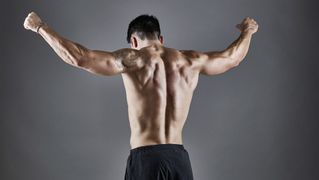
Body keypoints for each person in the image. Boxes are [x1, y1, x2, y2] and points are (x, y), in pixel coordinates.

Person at [23, 12, 258, 180]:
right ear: (161, 39)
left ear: (134, 41)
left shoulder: (131, 59)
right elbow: (232, 58)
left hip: (146, 159)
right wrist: (248, 30)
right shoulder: (190, 61)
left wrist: (40, 26)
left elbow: (78, 57)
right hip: (179, 159)